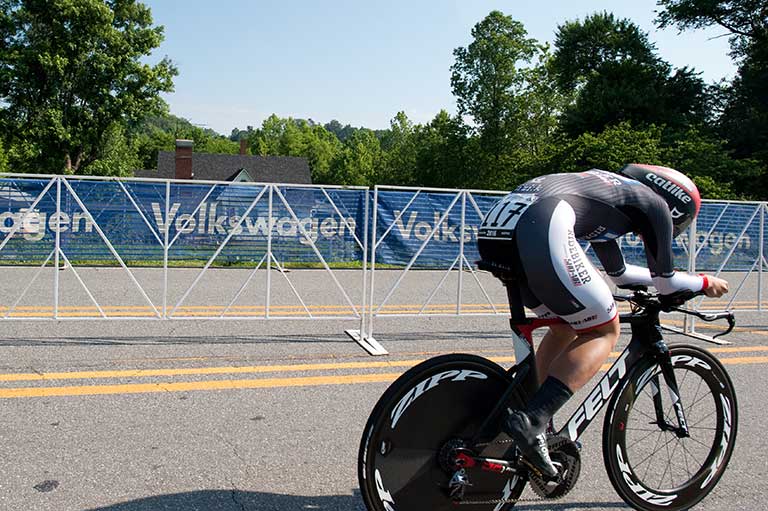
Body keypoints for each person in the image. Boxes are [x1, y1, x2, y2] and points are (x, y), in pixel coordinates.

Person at [476, 164, 729, 478]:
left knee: (566, 324)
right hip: (541, 224)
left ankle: (526, 408)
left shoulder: (613, 194)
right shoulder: (655, 205)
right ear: (678, 207)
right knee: (604, 329)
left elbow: (619, 274)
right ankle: (532, 420)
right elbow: (666, 284)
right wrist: (704, 282)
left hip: (498, 232)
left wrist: (657, 285)